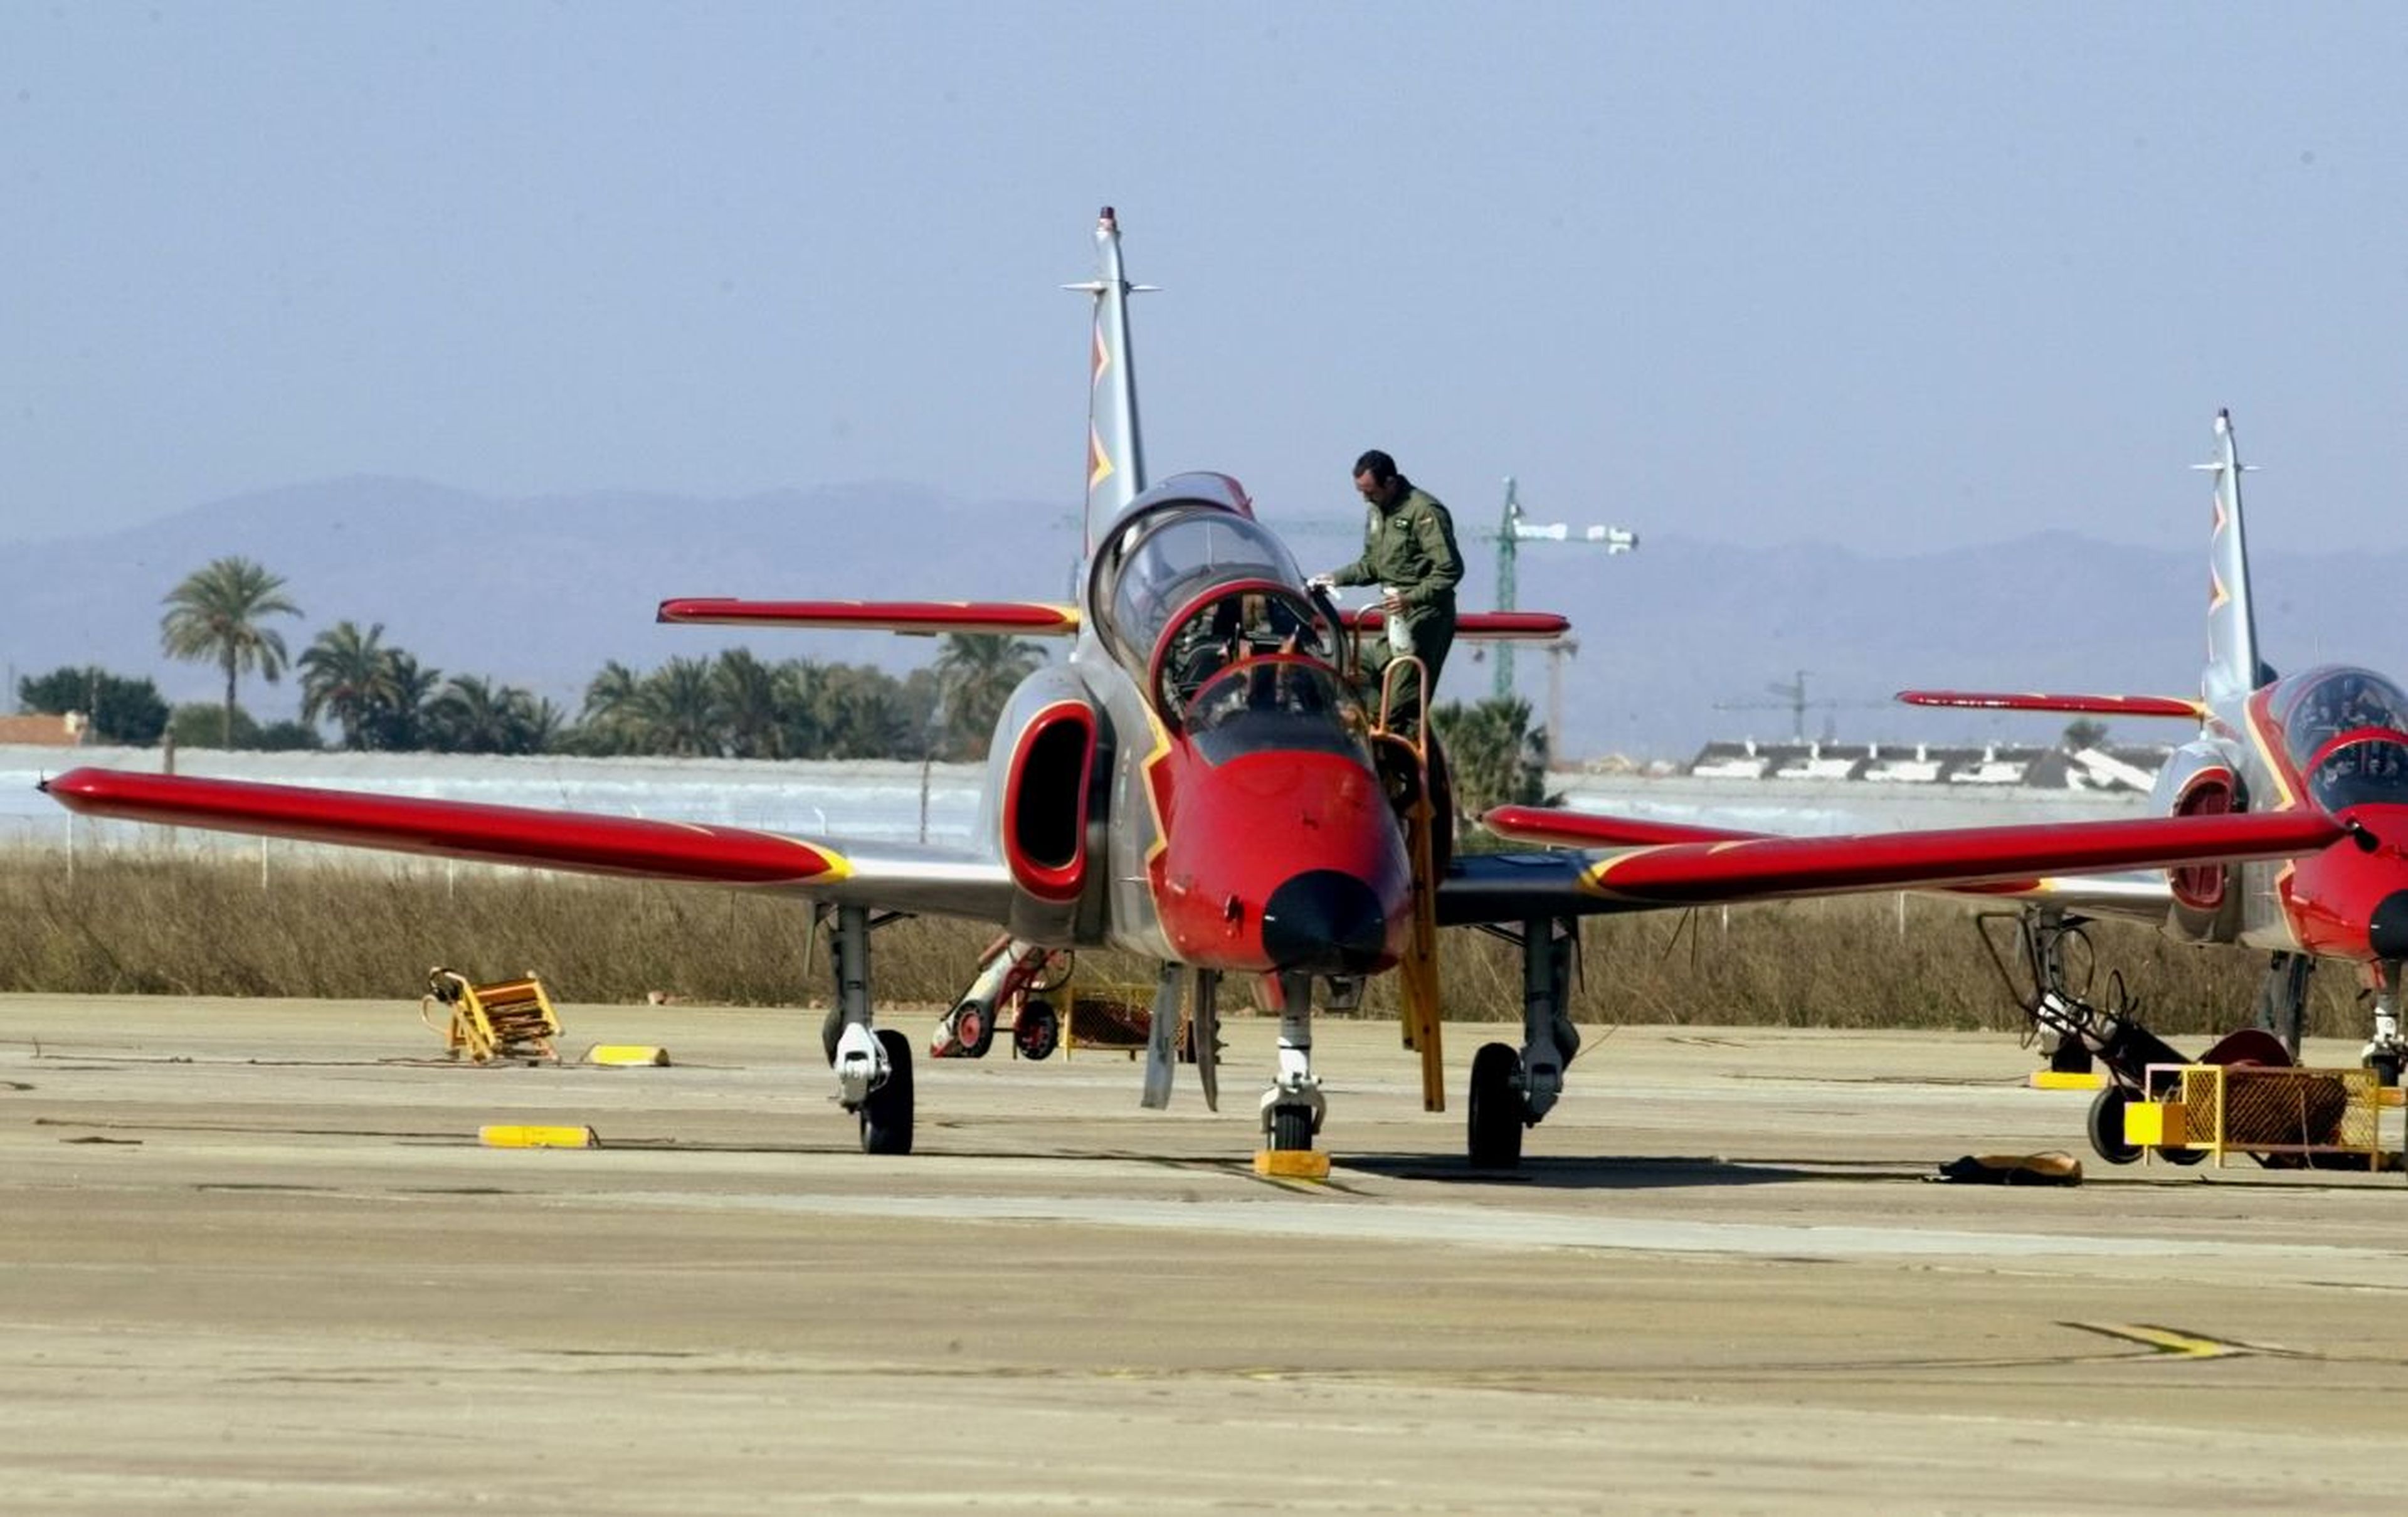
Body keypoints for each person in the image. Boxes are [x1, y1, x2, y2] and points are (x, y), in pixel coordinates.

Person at [1308, 449, 1464, 735]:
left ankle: (1400, 759)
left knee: (1398, 707)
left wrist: (1410, 598)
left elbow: (1450, 570)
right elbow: (1373, 566)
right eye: (1361, 492)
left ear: (1390, 483)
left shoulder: (1424, 512)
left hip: (1423, 617)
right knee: (1350, 668)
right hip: (1394, 617)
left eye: (1370, 491)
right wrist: (1335, 578)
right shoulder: (1377, 512)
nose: (1366, 498)